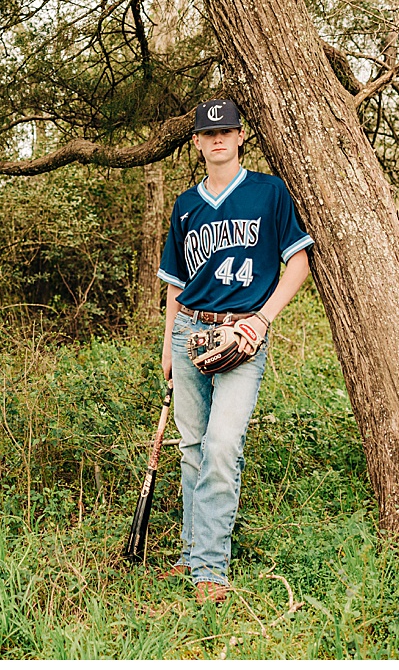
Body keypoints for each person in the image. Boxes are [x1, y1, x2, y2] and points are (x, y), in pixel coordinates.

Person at [156, 98, 313, 604]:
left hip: (243, 335)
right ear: (198, 142)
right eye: (209, 132)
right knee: (192, 450)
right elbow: (175, 287)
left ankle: (211, 572)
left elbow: (298, 265)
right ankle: (190, 554)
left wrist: (260, 320)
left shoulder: (268, 192)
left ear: (241, 136)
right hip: (189, 335)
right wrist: (167, 346)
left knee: (222, 445)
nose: (219, 138)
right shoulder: (186, 206)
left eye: (227, 130)